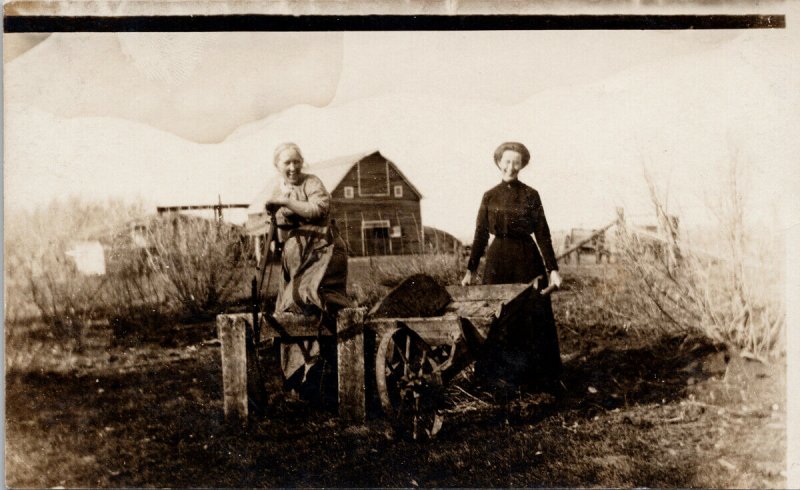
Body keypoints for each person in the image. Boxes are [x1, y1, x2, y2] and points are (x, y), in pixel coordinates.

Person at [460, 141, 564, 393]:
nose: (511, 166)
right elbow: (480, 235)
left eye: (516, 162)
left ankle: (539, 379)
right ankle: (496, 380)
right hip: (497, 263)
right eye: (507, 161)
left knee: (532, 317)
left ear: (522, 165)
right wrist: (470, 270)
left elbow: (543, 234)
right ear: (499, 162)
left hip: (527, 260)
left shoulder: (531, 195)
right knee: (499, 318)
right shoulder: (489, 195)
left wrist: (553, 269)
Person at [262, 142, 350, 400]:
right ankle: (301, 375)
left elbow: (317, 210)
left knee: (306, 301)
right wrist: (275, 214)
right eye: (286, 163)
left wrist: (284, 201)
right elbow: (281, 231)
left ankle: (317, 368)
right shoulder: (279, 189)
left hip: (323, 253)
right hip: (297, 260)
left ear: (302, 162)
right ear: (277, 166)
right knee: (285, 311)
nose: (292, 167)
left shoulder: (312, 183)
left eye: (296, 161)